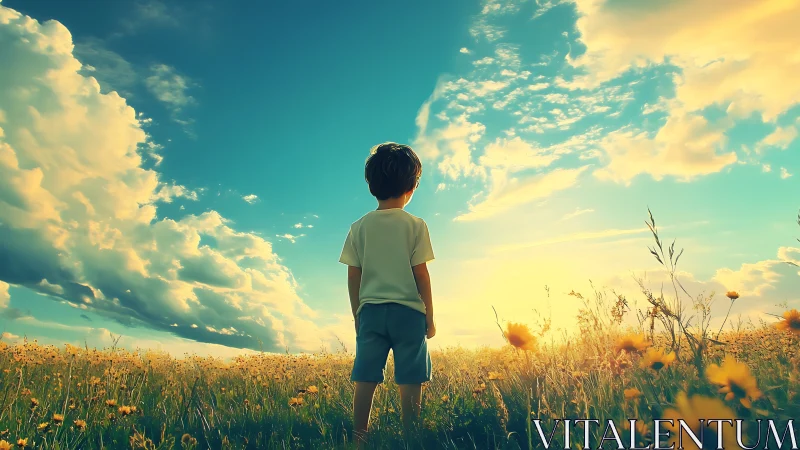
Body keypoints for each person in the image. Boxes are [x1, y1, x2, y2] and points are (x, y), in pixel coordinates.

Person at [338, 142, 436, 448]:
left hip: (371, 312)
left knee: (365, 375)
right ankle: (411, 436)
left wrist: (357, 313)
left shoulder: (358, 227)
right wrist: (430, 317)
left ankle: (359, 436)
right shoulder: (415, 225)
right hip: (408, 313)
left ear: (372, 185)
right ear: (412, 187)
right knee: (411, 377)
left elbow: (353, 275)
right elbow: (421, 274)